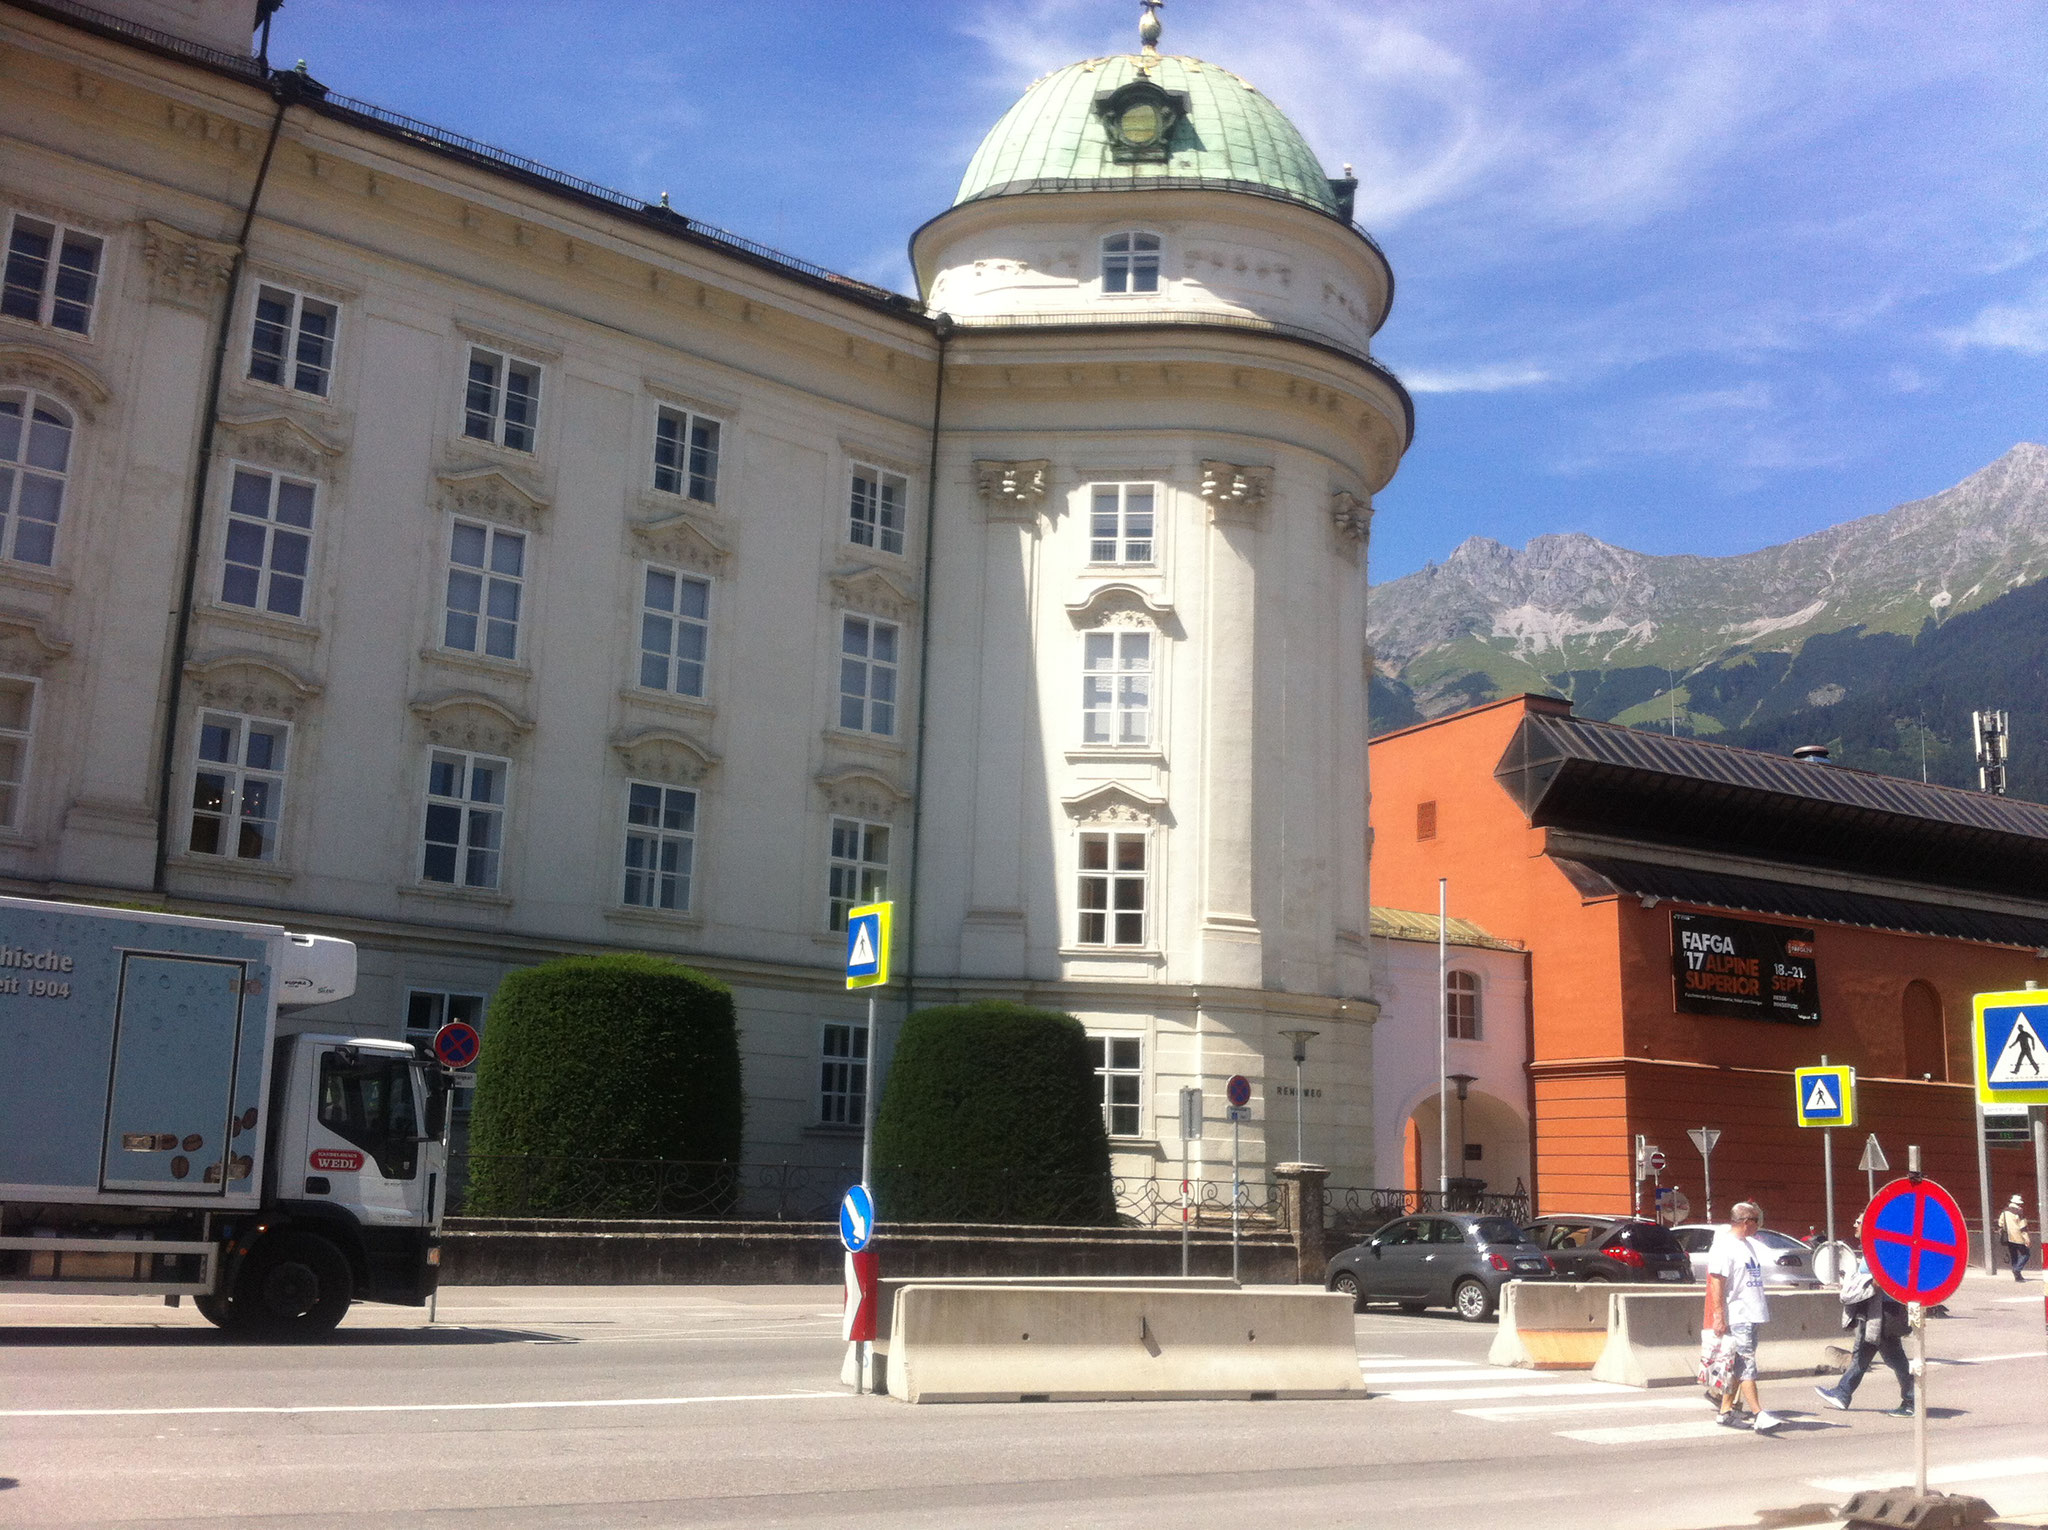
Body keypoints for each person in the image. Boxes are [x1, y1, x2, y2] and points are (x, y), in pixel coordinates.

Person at [1814, 1220, 1913, 1416]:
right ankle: (1843, 1393)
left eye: (1859, 1222)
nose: (1855, 1225)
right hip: (1877, 1311)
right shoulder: (1876, 1249)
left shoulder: (1882, 1250)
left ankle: (1912, 1401)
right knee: (1867, 1356)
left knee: (1894, 1360)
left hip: (1883, 1312)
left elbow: (1879, 1281)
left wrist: (1857, 1286)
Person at [1705, 1201, 1783, 1434]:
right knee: (1747, 1365)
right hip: (1738, 1314)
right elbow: (1716, 1282)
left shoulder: (1747, 1244)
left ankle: (1725, 1412)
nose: (1759, 1225)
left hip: (1753, 1313)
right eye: (1757, 1220)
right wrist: (1718, 1315)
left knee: (1739, 1366)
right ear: (1747, 1222)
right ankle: (1759, 1413)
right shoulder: (1724, 1246)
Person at [1999, 1195, 2031, 1283]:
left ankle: (2017, 1276)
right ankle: (2017, 1270)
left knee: (2014, 1256)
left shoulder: (2005, 1211)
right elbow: (2023, 1227)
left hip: (2009, 1237)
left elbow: (2000, 1223)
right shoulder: (2019, 1211)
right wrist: (2027, 1239)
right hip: (2018, 1236)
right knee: (2026, 1254)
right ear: (2018, 1203)